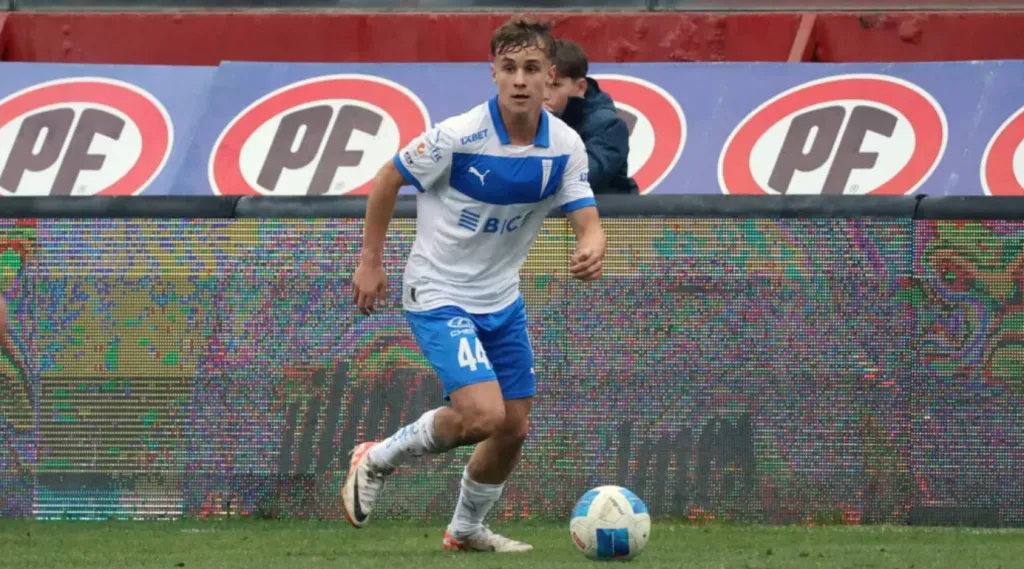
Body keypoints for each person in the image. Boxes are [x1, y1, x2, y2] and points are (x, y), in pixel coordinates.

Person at [345, 17, 606, 553]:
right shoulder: (457, 136)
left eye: (531, 69)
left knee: (512, 427)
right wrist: (371, 262)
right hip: (438, 291)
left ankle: (465, 530)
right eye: (508, 68)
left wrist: (593, 242)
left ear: (549, 76)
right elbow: (388, 179)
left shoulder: (565, 146)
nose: (519, 79)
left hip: (501, 299)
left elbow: (584, 212)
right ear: (493, 73)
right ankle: (375, 459)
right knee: (483, 415)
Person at [544, 39, 639, 195]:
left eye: (555, 85)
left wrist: (546, 126)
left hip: (606, 216)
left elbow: (582, 178)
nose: (544, 94)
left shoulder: (608, 125)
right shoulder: (529, 119)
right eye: (540, 84)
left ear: (580, 87)